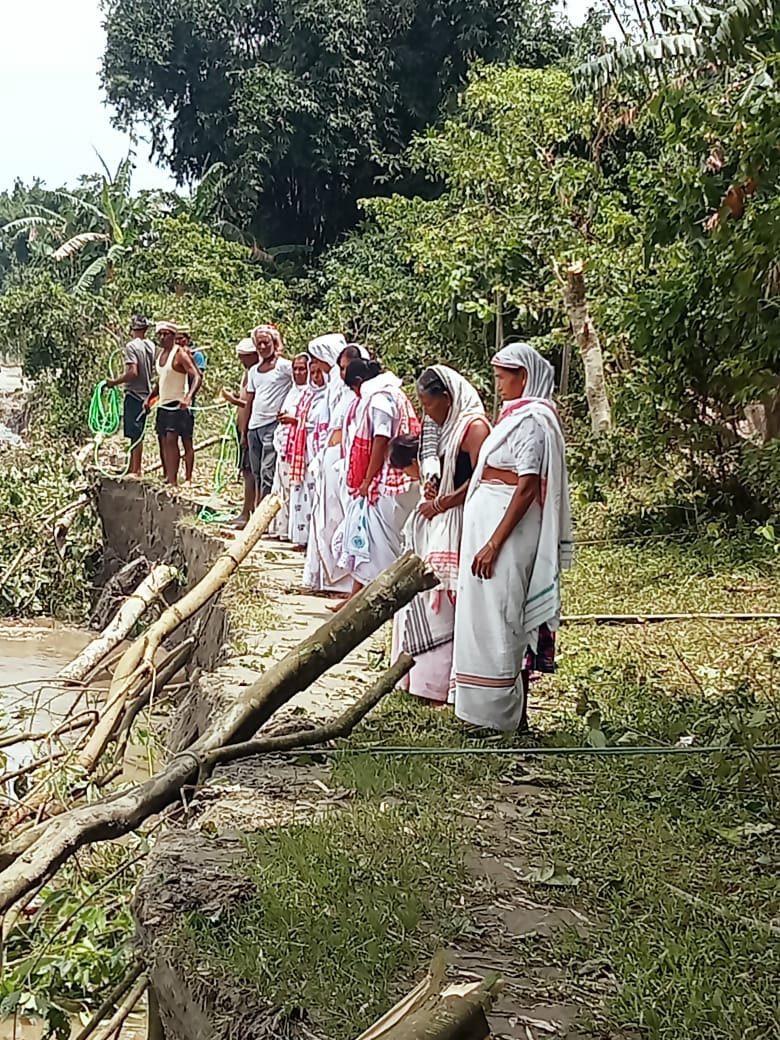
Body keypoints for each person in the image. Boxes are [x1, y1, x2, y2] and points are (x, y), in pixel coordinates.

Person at [452, 343, 573, 733]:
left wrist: (494, 543)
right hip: (487, 521)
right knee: (480, 615)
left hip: (507, 531)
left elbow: (525, 487)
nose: (499, 384)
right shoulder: (513, 418)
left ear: (524, 377)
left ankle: (502, 716)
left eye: (505, 377)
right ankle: (480, 711)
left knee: (502, 614)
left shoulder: (535, 421)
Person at [390, 366, 490, 704]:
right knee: (423, 597)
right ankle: (418, 680)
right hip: (438, 519)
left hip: (461, 522)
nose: (427, 411)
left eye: (430, 404)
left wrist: (446, 500)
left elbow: (481, 479)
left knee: (444, 601)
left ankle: (440, 686)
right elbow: (436, 465)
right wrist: (433, 487)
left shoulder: (474, 429)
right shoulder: (441, 429)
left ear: (448, 398)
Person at [337, 359, 420, 600]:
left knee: (380, 542)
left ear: (359, 383)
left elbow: (380, 439)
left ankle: (384, 596)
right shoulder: (395, 393)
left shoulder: (380, 399)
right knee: (375, 539)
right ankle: (358, 597)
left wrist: (367, 479)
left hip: (390, 479)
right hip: (397, 476)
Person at [302, 336, 359, 595]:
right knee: (324, 516)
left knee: (338, 517)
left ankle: (343, 579)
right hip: (328, 454)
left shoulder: (345, 386)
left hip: (340, 457)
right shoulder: (332, 385)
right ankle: (325, 578)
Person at [243, 325, 293, 508]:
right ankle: (258, 508)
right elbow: (250, 400)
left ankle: (265, 512)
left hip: (273, 425)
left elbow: (302, 384)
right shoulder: (254, 371)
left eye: (266, 342)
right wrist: (244, 430)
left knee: (268, 470)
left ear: (275, 343)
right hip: (254, 426)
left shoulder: (284, 367)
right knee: (256, 472)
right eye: (259, 343)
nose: (262, 347)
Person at [149, 321, 202, 487]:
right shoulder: (160, 356)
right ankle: (167, 476)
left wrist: (188, 396)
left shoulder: (179, 354)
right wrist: (150, 398)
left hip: (177, 403)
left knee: (173, 440)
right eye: (160, 334)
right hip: (163, 404)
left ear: (173, 336)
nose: (163, 337)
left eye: (166, 334)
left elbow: (197, 376)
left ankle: (174, 480)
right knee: (162, 439)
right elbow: (162, 380)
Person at [105, 315, 155, 478]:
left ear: (132, 329)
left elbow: (133, 372)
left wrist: (114, 382)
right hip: (147, 395)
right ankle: (133, 467)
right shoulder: (151, 345)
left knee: (134, 433)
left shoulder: (131, 346)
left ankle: (136, 470)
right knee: (138, 432)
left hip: (134, 393)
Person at [287, 360, 328, 548]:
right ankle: (301, 538)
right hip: (302, 450)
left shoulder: (328, 397)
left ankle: (314, 541)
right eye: (313, 372)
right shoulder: (308, 394)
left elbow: (321, 424)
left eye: (319, 372)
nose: (315, 377)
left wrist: (296, 421)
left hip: (317, 451)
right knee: (300, 493)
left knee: (315, 495)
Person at [269, 353, 309, 540]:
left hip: (300, 451)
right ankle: (281, 530)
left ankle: (295, 534)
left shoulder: (311, 393)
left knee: (295, 492)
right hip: (284, 447)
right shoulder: (292, 391)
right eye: (295, 369)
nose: (298, 373)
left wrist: (295, 420)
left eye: (302, 369)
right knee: (281, 489)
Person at [221, 337, 259, 529]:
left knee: (251, 471)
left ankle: (249, 512)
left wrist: (233, 401)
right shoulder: (248, 373)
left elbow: (253, 404)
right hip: (243, 427)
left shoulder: (257, 373)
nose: (241, 361)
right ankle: (246, 510)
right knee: (245, 470)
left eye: (244, 357)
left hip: (251, 427)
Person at [175, 328, 207, 483]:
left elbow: (198, 376)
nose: (179, 342)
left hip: (188, 405)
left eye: (182, 339)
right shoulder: (174, 353)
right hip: (173, 402)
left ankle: (188, 477)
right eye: (176, 339)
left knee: (187, 440)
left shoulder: (197, 355)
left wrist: (190, 359)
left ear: (188, 339)